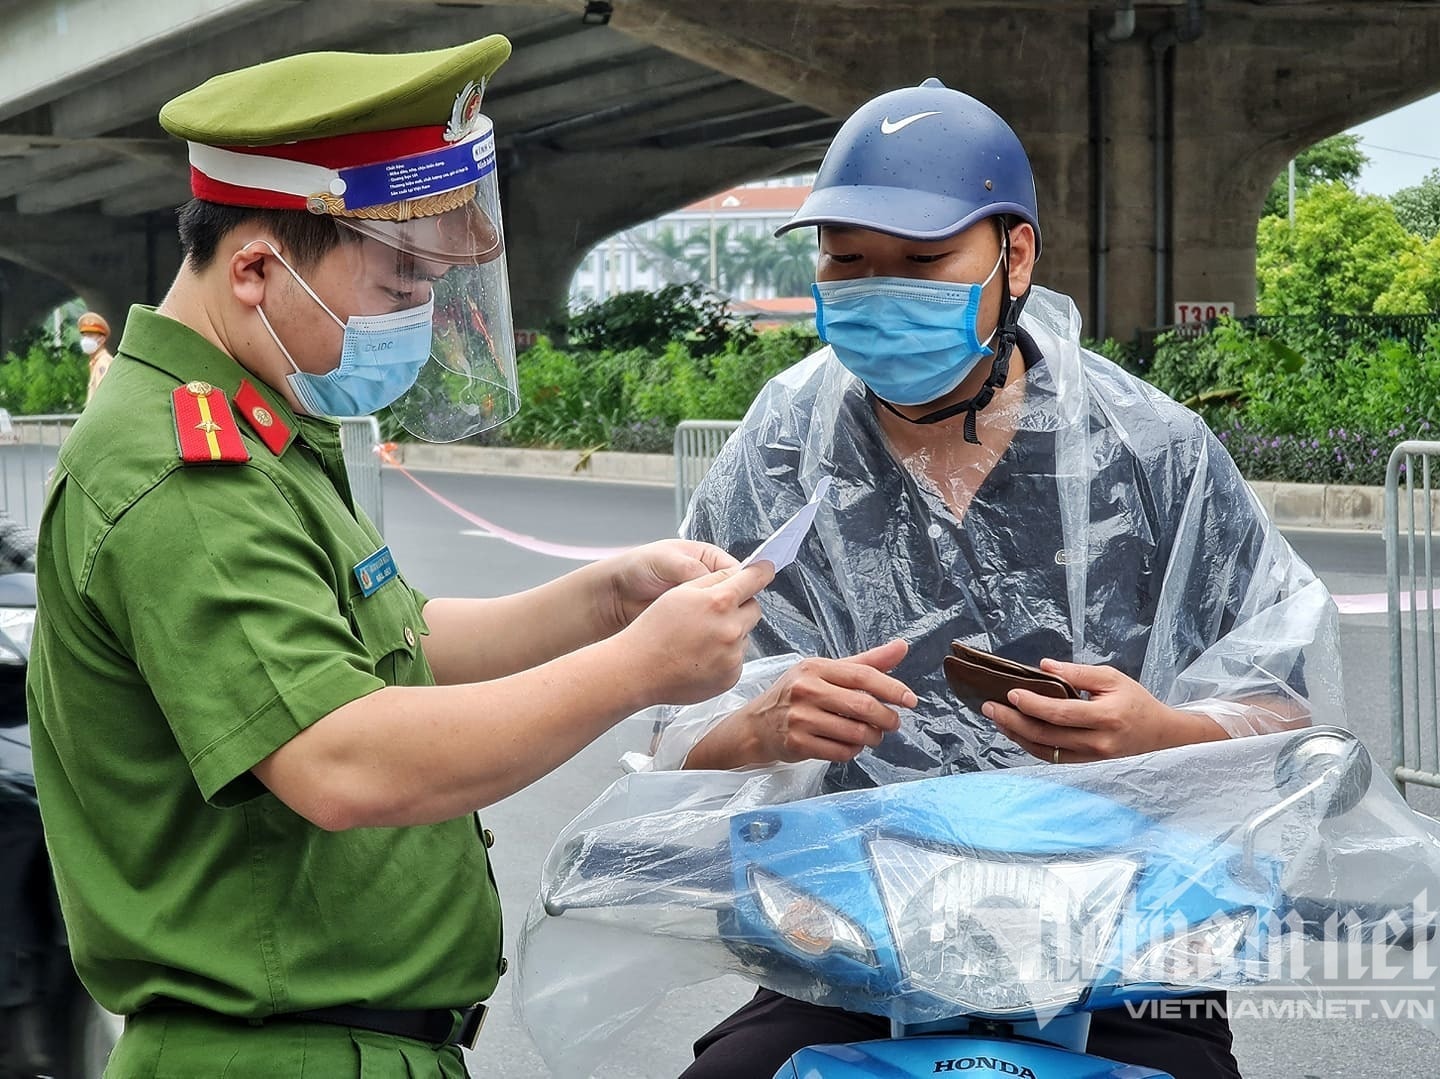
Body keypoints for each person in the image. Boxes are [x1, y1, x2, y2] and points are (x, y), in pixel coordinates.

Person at [25, 36, 773, 1079]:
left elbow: (395, 637)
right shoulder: (181, 472)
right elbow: (342, 756)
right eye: (397, 284)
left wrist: (605, 598)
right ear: (255, 268)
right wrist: (638, 667)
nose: (418, 319)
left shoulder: (258, 425)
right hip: (278, 1055)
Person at [654, 78, 1345, 1079]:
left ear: (1014, 254)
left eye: (923, 261)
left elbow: (1288, 707)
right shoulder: (779, 453)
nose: (879, 287)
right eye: (847, 261)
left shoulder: (1152, 451)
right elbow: (672, 720)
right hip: (850, 946)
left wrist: (1163, 735)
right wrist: (759, 728)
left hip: (1121, 948)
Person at [78, 310, 114, 404]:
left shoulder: (103, 362)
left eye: (90, 336)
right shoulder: (95, 362)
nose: (85, 340)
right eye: (84, 336)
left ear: (101, 340)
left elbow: (104, 397)